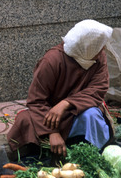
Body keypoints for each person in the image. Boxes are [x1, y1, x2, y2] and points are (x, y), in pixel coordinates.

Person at [7, 19, 114, 161]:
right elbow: (36, 101)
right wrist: (52, 132)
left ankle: (95, 156)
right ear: (86, 46)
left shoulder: (98, 56)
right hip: (49, 116)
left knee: (92, 115)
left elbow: (98, 89)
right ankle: (42, 150)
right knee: (25, 120)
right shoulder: (52, 60)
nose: (103, 50)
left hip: (77, 111)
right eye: (100, 47)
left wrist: (66, 103)